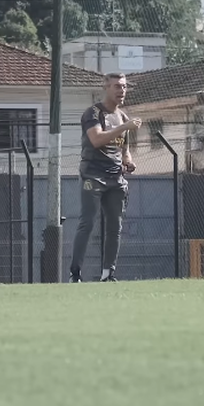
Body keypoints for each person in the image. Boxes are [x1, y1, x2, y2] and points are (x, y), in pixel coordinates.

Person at [69, 73, 142, 283]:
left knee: (114, 226)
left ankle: (108, 273)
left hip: (115, 178)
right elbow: (96, 139)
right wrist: (123, 127)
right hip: (93, 175)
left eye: (124, 87)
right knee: (88, 222)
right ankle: (75, 273)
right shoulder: (93, 113)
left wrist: (128, 160)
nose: (122, 91)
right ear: (106, 87)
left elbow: (124, 149)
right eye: (117, 86)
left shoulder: (123, 117)